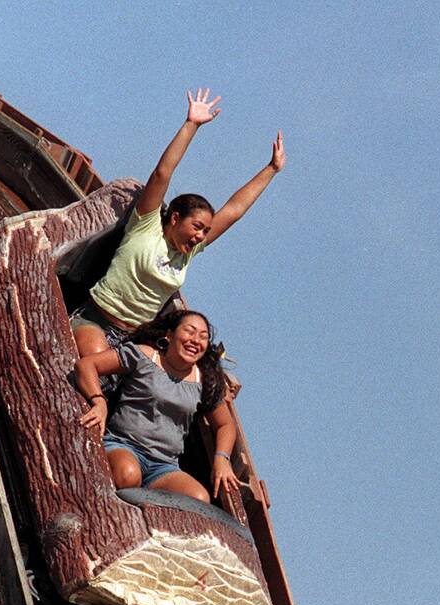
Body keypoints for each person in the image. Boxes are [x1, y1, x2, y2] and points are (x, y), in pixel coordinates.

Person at [70, 88, 285, 358]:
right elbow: (163, 172)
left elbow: (234, 210)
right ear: (174, 218)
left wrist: (271, 170)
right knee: (97, 358)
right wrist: (191, 125)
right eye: (197, 227)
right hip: (95, 322)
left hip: (133, 340)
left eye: (205, 231)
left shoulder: (188, 252)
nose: (200, 236)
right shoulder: (146, 226)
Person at [75, 309, 239, 504]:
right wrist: (99, 401)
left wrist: (222, 458)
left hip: (164, 466)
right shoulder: (145, 355)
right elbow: (86, 365)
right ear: (170, 335)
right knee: (128, 475)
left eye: (203, 337)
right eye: (189, 331)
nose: (195, 340)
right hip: (124, 445)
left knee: (198, 499)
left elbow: (225, 425)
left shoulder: (204, 380)